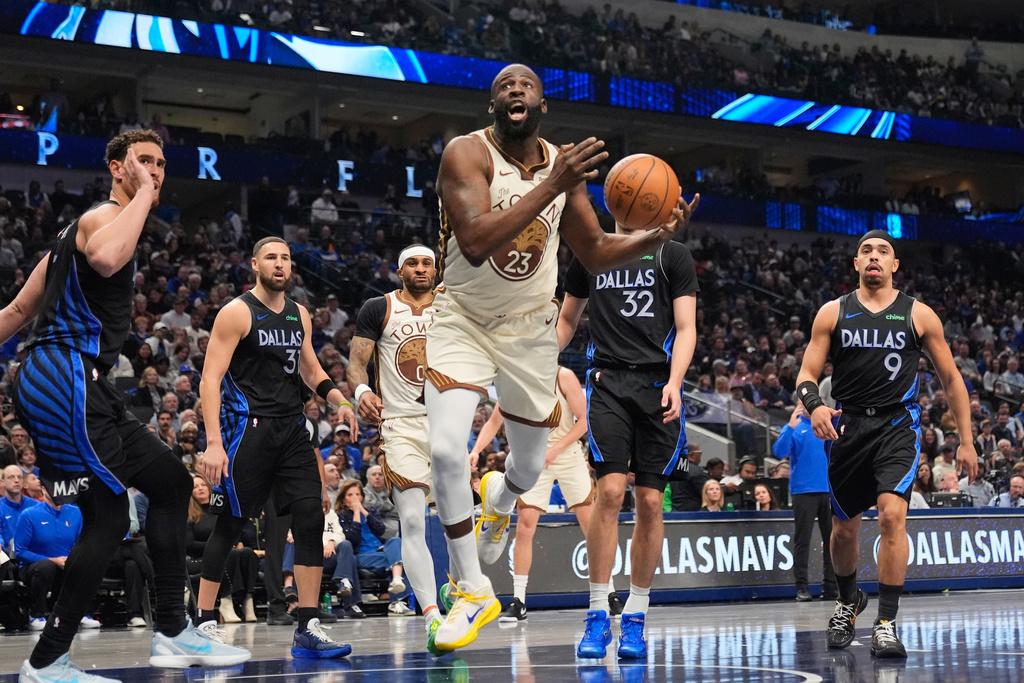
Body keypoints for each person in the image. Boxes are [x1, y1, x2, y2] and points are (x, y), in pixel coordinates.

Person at [426, 63, 697, 651]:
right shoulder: (465, 155)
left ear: (542, 105)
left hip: (529, 331)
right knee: (446, 449)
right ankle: (472, 589)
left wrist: (657, 235)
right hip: (462, 320)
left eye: (526, 84)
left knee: (525, 472)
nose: (515, 89)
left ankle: (497, 498)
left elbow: (596, 252)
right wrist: (553, 182)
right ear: (492, 105)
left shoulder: (563, 169)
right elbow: (474, 244)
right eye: (504, 85)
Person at [0, 130, 248, 683]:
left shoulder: (74, 236)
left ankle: (172, 632)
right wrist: (138, 196)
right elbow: (108, 258)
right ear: (117, 167)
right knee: (109, 515)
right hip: (61, 375)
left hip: (86, 383)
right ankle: (47, 661)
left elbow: (16, 310)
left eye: (161, 164)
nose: (155, 172)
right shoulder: (101, 219)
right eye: (143, 162)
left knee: (170, 483)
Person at [796, 230, 977, 659]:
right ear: (855, 264)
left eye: (883, 251)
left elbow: (952, 379)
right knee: (844, 531)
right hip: (848, 426)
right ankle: (847, 601)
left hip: (899, 424)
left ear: (895, 265)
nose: (874, 256)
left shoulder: (918, 314)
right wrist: (814, 406)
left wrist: (966, 440)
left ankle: (886, 622)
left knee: (893, 516)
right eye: (866, 251)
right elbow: (806, 373)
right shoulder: (832, 312)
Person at [196, 236, 359, 660]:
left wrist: (339, 400)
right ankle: (202, 622)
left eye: (286, 257)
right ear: (255, 264)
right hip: (247, 431)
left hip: (292, 430)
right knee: (231, 525)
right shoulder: (236, 312)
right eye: (272, 257)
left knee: (308, 516)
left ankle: (307, 626)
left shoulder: (298, 313)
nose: (280, 264)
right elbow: (209, 379)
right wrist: (213, 442)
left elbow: (310, 368)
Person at [558, 182, 699, 658]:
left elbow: (686, 327)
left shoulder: (672, 256)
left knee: (651, 503)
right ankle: (598, 612)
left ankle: (636, 614)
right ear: (616, 201)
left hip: (659, 384)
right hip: (609, 383)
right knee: (611, 492)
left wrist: (676, 381)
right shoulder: (591, 255)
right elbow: (566, 321)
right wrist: (536, 361)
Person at [347, 244, 446, 650]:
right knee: (412, 519)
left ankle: (457, 586)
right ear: (399, 269)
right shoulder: (378, 307)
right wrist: (361, 389)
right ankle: (432, 618)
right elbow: (356, 362)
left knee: (461, 517)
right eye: (413, 263)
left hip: (447, 421)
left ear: (436, 270)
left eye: (427, 263)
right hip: (401, 425)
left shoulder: (453, 304)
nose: (420, 269)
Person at [469, 367, 621, 625]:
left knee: (592, 527)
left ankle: (609, 593)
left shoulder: (563, 376)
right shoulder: (516, 377)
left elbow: (584, 420)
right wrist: (475, 450)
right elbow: (495, 421)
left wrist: (557, 448)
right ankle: (519, 601)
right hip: (532, 458)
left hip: (568, 454)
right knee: (525, 528)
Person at [773, 402, 837, 602]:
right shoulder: (796, 426)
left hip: (828, 489)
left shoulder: (826, 424)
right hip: (803, 491)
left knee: (832, 541)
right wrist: (789, 427)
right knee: (803, 541)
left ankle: (831, 587)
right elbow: (779, 452)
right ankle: (802, 587)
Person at [334, 480, 412, 616]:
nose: (354, 499)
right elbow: (353, 539)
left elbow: (380, 529)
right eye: (350, 495)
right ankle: (396, 601)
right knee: (398, 561)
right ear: (343, 499)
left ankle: (396, 581)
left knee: (395, 541)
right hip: (360, 555)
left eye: (358, 495)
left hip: (380, 550)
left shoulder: (371, 511)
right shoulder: (341, 515)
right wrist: (356, 515)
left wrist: (363, 511)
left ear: (362, 497)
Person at [0, 465, 39, 556]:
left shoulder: (36, 506)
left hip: (33, 556)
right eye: (11, 477)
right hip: (7, 556)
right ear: (3, 482)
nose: (16, 480)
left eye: (19, 477)